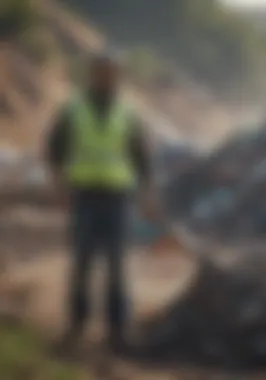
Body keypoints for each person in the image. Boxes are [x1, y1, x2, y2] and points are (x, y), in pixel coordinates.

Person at [45, 51, 151, 355]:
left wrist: (147, 195)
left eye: (114, 72)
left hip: (118, 197)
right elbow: (55, 150)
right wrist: (58, 186)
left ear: (120, 76)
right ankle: (77, 324)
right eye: (103, 72)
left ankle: (117, 330)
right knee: (82, 261)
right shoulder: (73, 109)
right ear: (92, 74)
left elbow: (140, 158)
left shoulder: (128, 113)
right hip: (85, 195)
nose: (108, 77)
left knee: (118, 264)